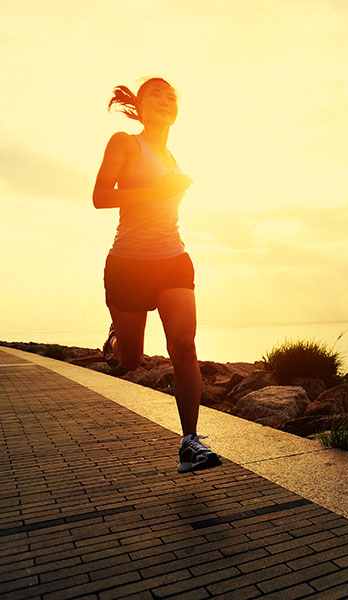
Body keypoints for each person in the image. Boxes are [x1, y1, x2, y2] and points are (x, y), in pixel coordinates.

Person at [93, 77, 221, 473]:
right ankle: (117, 336)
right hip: (128, 263)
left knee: (183, 346)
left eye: (171, 97)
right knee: (131, 362)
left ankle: (189, 442)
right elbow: (100, 197)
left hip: (172, 259)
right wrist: (157, 190)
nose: (165, 101)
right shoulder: (126, 143)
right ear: (141, 105)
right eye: (156, 95)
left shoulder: (173, 157)